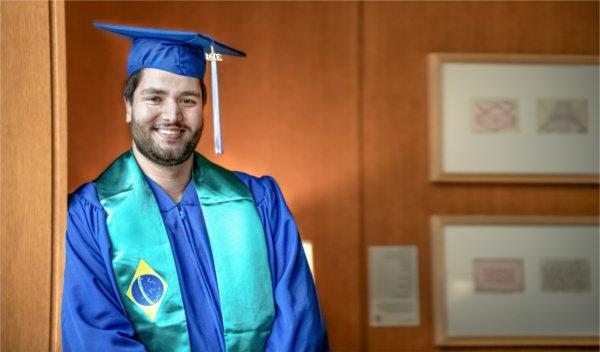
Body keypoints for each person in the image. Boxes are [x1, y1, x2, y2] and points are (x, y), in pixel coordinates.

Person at [62, 23, 328, 352]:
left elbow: (299, 328)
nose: (172, 115)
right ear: (129, 106)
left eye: (187, 99)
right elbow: (97, 338)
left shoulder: (259, 204)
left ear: (204, 106)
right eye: (154, 98)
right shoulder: (90, 217)